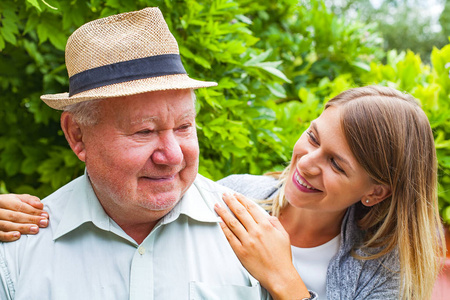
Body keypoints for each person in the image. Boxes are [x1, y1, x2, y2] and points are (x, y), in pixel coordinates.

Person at [0, 7, 279, 300]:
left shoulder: (256, 236)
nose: (172, 156)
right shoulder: (18, 251)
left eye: (184, 126)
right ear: (77, 135)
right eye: (144, 132)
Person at [213, 86, 446, 299]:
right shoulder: (232, 194)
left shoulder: (387, 274)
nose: (305, 164)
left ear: (376, 193)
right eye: (313, 138)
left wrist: (283, 278)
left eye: (336, 164)